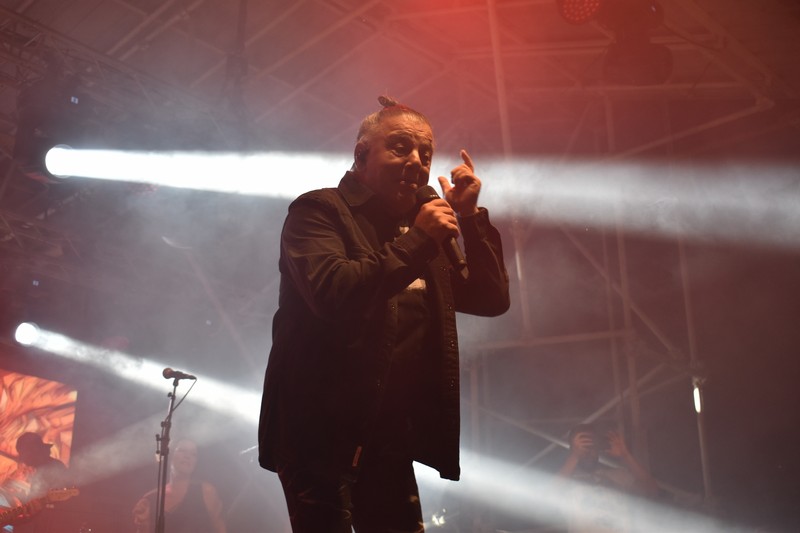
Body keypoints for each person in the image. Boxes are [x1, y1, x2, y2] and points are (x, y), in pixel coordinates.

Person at [258, 95, 510, 532]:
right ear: (361, 155)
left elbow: (490, 299)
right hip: (317, 433)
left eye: (426, 153)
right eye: (400, 147)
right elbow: (333, 293)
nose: (416, 161)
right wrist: (419, 240)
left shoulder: (421, 229)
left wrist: (469, 217)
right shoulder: (318, 212)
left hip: (388, 436)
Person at [557, 423, 660, 532]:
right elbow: (550, 494)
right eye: (583, 446)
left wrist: (626, 456)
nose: (588, 452)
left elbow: (652, 490)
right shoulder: (568, 481)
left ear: (598, 448)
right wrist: (574, 456)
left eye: (592, 446)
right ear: (572, 449)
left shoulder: (618, 475)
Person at [132, 439, 227, 533]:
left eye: (193, 454)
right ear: (169, 455)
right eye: (182, 450)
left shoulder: (206, 491)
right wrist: (143, 525)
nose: (187, 456)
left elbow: (219, 526)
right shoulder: (151, 499)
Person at [1, 432, 73, 532]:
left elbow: (60, 502)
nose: (23, 459)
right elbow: (35, 500)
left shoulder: (55, 467)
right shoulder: (37, 469)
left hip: (47, 523)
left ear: (34, 451)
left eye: (24, 455)